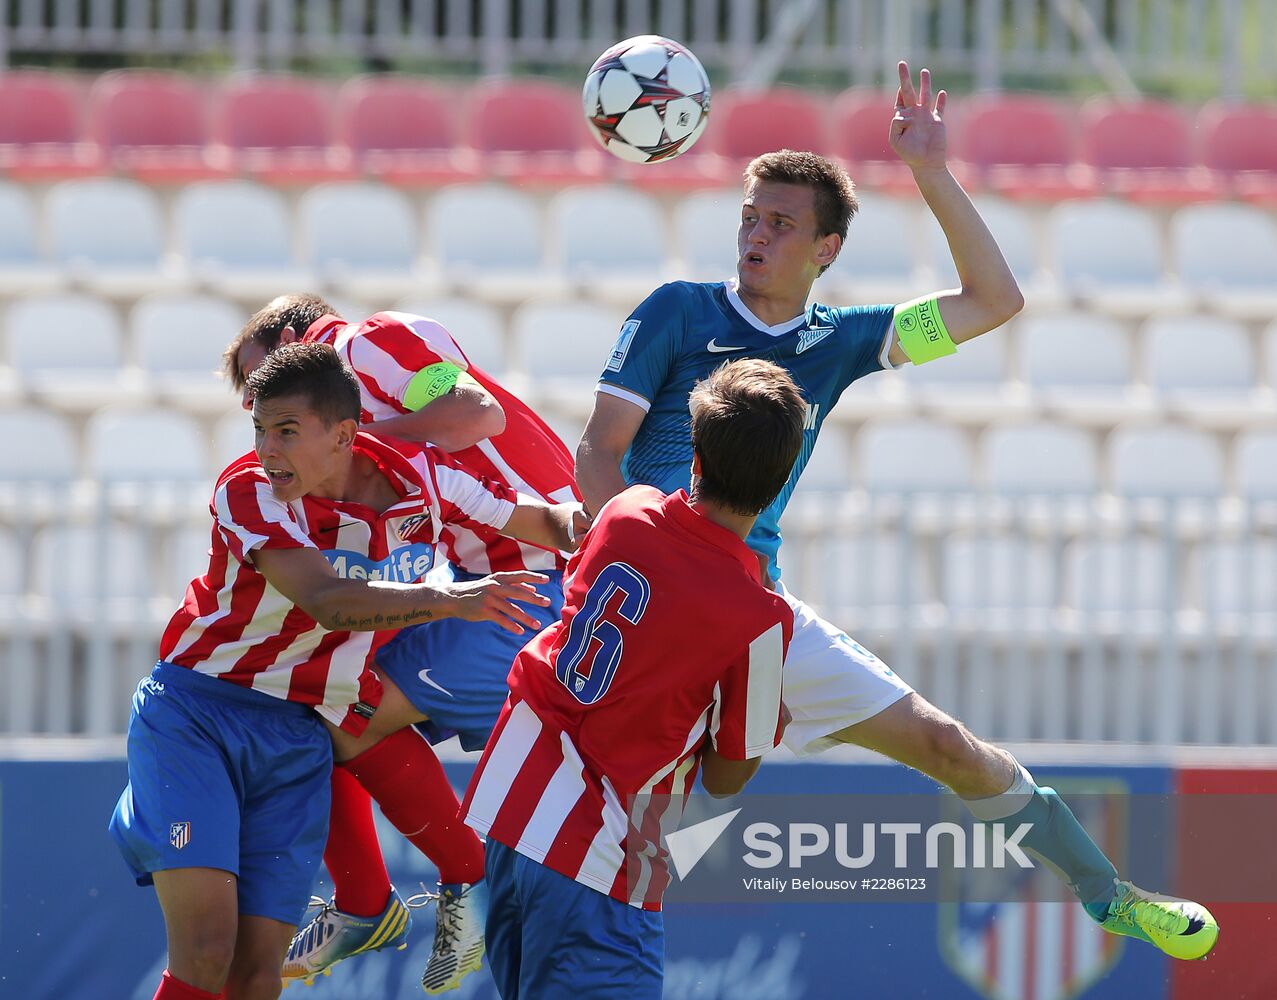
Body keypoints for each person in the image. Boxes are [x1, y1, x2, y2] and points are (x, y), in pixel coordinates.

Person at [574, 62, 1218, 961]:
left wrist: (930, 172)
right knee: (626, 793)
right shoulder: (677, 313)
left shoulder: (840, 341)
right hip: (648, 591)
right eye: (750, 218)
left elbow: (993, 302)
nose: (755, 235)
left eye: (780, 224)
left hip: (752, 603)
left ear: (825, 249)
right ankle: (520, 893)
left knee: (943, 743)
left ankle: (1107, 895)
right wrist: (645, 561)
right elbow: (597, 451)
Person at [109, 342, 581, 1000]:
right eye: (259, 429)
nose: (267, 449)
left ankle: (411, 893)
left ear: (343, 434)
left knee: (254, 977)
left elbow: (545, 522)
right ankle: (430, 885)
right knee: (208, 951)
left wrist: (625, 520)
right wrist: (450, 599)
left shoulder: (426, 477)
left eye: (286, 431)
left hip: (298, 738)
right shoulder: (249, 488)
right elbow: (328, 601)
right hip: (199, 719)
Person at [461, 358, 804, 999]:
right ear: (781, 483)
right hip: (599, 856)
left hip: (510, 812)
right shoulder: (760, 617)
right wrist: (758, 721)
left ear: (695, 458)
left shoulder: (624, 511)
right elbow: (727, 776)